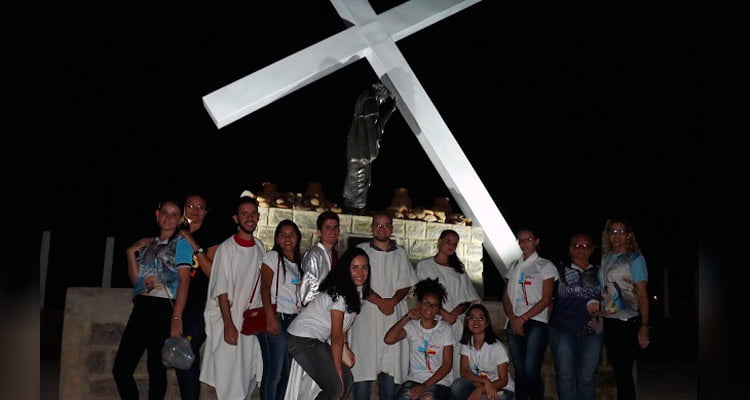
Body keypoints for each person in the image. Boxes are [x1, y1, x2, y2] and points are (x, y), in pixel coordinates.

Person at [112, 199, 193, 400]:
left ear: (180, 220)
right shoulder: (148, 244)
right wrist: (131, 252)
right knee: (121, 369)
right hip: (142, 306)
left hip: (164, 309)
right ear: (158, 215)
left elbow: (184, 282)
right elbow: (137, 281)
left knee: (155, 369)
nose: (168, 218)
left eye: (174, 215)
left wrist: (176, 318)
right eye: (164, 213)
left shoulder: (181, 244)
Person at [200, 196, 266, 400]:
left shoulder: (260, 247)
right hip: (233, 320)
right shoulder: (227, 249)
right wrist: (229, 324)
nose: (249, 218)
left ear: (258, 217)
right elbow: (221, 290)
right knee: (230, 376)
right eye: (244, 214)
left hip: (252, 322)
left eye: (253, 214)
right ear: (236, 218)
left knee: (248, 374)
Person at [285, 247, 372, 400]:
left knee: (347, 380)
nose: (360, 273)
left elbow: (344, 328)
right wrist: (337, 372)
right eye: (355, 268)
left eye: (364, 267)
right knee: (335, 386)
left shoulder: (356, 292)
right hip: (302, 338)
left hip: (315, 340)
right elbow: (336, 335)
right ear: (347, 269)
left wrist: (346, 349)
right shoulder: (339, 293)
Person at [351, 212, 418, 400]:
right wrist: (381, 302)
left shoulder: (401, 254)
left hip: (393, 317)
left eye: (386, 225)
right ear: (372, 227)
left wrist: (392, 302)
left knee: (389, 374)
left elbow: (406, 282)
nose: (382, 228)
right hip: (366, 318)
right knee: (363, 369)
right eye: (378, 225)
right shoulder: (360, 250)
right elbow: (356, 280)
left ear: (392, 228)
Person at [175, 193, 224, 400]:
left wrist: (191, 240)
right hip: (172, 301)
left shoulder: (211, 235)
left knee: (185, 349)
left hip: (200, 303)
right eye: (190, 205)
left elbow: (213, 273)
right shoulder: (172, 233)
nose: (194, 210)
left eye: (200, 207)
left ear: (205, 212)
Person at [416, 229, 481, 381]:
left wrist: (456, 312)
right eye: (448, 242)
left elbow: (469, 298)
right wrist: (444, 313)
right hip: (435, 323)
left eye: (455, 244)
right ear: (440, 242)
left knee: (457, 365)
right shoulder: (424, 266)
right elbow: (423, 295)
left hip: (456, 324)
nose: (451, 246)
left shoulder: (459, 270)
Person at [502, 228, 559, 400]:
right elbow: (505, 295)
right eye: (520, 240)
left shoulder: (545, 265)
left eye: (528, 239)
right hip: (513, 321)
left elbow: (546, 298)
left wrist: (523, 319)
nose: (524, 243)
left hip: (535, 321)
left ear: (536, 241)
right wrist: (513, 319)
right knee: (520, 371)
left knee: (531, 370)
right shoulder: (514, 265)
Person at [599, 218, 650, 400]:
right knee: (620, 373)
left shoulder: (635, 258)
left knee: (624, 373)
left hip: (629, 321)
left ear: (628, 235)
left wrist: (644, 326)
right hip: (611, 321)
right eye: (613, 231)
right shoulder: (605, 258)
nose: (616, 236)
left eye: (621, 232)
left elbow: (642, 294)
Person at [548, 233, 603, 400]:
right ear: (570, 248)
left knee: (587, 377)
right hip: (563, 331)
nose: (581, 249)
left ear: (592, 249)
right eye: (577, 245)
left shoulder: (601, 272)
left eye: (585, 246)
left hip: (593, 333)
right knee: (565, 376)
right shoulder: (557, 270)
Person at [384, 278, 455, 400]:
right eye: (426, 302)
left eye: (434, 305)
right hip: (413, 381)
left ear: (438, 309)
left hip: (439, 383)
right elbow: (388, 339)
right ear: (419, 304)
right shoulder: (412, 326)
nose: (429, 307)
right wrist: (407, 317)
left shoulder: (445, 328)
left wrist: (425, 386)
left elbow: (447, 365)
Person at [258, 220, 304, 400]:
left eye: (291, 234)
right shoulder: (272, 257)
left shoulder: (299, 263)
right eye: (283, 235)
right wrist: (270, 317)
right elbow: (265, 286)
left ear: (297, 238)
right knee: (274, 373)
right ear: (277, 239)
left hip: (294, 321)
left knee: (287, 373)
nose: (287, 238)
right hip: (278, 317)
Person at [450, 304, 515, 400]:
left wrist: (481, 389)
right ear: (467, 322)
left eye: (481, 318)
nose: (476, 321)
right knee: (457, 385)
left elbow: (503, 380)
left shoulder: (497, 347)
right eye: (472, 318)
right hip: (478, 384)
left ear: (487, 322)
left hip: (500, 388)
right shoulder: (467, 344)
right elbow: (464, 372)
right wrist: (484, 381)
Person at [299, 211, 341, 306]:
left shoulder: (334, 254)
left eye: (335, 227)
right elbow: (308, 292)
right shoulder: (314, 254)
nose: (333, 231)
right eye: (328, 227)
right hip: (316, 311)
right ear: (319, 232)